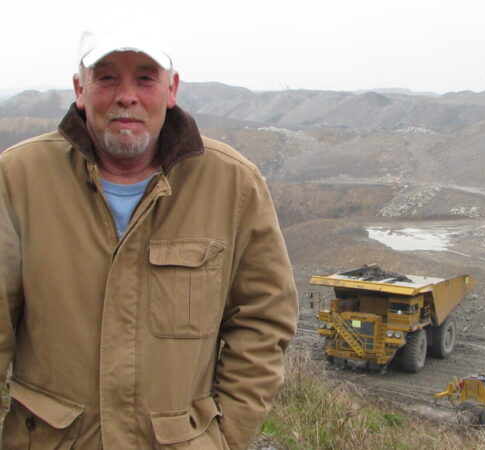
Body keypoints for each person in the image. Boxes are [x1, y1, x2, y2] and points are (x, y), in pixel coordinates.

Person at [0, 15, 298, 450]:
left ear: (172, 89)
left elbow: (263, 319)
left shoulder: (234, 185)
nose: (127, 97)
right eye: (106, 78)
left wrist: (225, 437)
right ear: (80, 90)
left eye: (145, 79)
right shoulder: (18, 178)